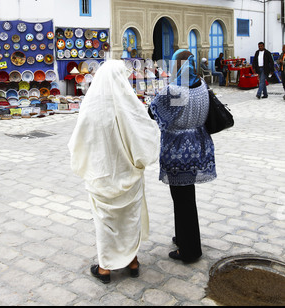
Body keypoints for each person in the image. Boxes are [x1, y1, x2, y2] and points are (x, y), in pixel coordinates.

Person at [68, 59, 160, 283]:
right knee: (129, 219)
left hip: (101, 174)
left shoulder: (91, 107)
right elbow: (147, 131)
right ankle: (133, 261)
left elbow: (79, 140)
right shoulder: (131, 106)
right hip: (128, 174)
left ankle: (105, 268)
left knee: (105, 221)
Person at [149, 50, 216, 264]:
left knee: (182, 199)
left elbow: (154, 112)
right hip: (198, 146)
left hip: (178, 150)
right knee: (187, 197)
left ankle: (190, 250)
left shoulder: (176, 90)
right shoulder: (202, 86)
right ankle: (184, 238)